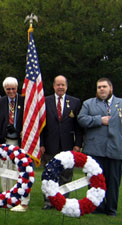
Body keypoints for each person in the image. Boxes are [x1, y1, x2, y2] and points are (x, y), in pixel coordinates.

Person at [78, 78, 122, 216]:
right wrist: (99, 120)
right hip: (94, 150)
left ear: (111, 88)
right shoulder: (88, 104)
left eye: (104, 86)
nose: (101, 89)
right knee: (95, 182)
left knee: (113, 182)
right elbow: (81, 119)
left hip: (116, 150)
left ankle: (111, 209)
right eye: (99, 87)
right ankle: (96, 208)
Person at [40, 75, 83, 209]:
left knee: (66, 175)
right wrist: (40, 144)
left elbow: (78, 126)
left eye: (62, 85)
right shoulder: (45, 101)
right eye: (58, 85)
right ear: (53, 86)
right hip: (49, 145)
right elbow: (40, 125)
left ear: (66, 86)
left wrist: (78, 144)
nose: (60, 87)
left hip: (68, 145)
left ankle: (63, 201)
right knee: (49, 175)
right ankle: (49, 201)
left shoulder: (75, 102)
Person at [0, 77, 28, 212]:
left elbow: (29, 120)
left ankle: (20, 196)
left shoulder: (24, 101)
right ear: (4, 89)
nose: (11, 91)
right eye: (8, 89)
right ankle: (7, 195)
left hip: (20, 141)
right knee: (4, 168)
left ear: (17, 89)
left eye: (13, 88)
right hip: (4, 140)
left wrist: (22, 130)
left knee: (19, 169)